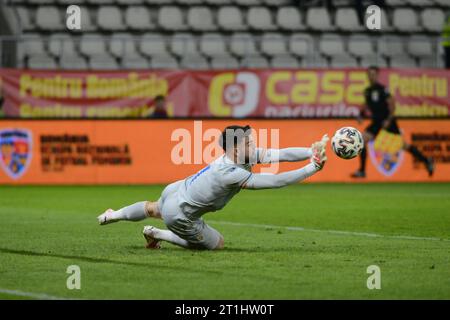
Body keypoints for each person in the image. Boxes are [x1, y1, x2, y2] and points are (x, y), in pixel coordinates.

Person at [98, 125, 329, 250]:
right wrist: (312, 168)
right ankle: (157, 233)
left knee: (151, 207)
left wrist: (311, 151)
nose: (254, 145)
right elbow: (275, 181)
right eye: (249, 142)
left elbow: (281, 154)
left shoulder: (241, 156)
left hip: (177, 190)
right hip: (180, 214)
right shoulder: (230, 172)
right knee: (216, 244)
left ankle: (114, 214)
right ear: (235, 149)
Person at [351, 66, 434, 178]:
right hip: (376, 122)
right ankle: (362, 171)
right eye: (369, 74)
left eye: (373, 74)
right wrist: (360, 115)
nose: (371, 76)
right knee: (361, 140)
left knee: (403, 146)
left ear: (377, 75)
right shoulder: (367, 91)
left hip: (387, 121)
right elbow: (366, 105)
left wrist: (388, 119)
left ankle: (426, 160)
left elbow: (392, 105)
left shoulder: (383, 90)